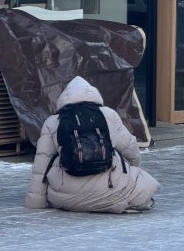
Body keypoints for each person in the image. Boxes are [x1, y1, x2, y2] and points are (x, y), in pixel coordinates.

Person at [25, 76, 160, 213]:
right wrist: (133, 169)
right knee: (145, 183)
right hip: (109, 190)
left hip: (65, 197)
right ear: (93, 94)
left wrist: (36, 202)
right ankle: (116, 203)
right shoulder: (108, 114)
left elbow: (42, 164)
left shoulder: (52, 121)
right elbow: (130, 148)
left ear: (63, 98)